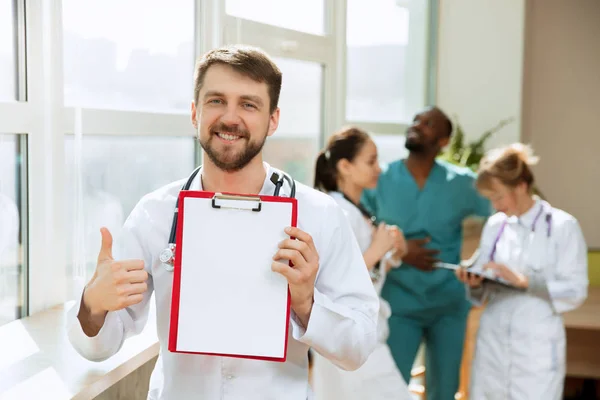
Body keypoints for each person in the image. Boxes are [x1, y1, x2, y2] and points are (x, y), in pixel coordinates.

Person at [67, 45, 380, 400]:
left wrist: (306, 303)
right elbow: (98, 346)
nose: (230, 118)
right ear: (194, 113)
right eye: (216, 101)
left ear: (273, 119)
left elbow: (359, 347)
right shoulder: (154, 214)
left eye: (249, 104)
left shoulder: (320, 215)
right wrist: (94, 304)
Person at [361, 106, 492, 400]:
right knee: (390, 389)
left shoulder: (462, 183)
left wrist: (480, 260)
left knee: (445, 391)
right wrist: (403, 253)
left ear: (443, 141)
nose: (417, 125)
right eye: (416, 120)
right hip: (399, 303)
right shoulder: (382, 179)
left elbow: (501, 216)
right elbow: (360, 226)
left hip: (448, 304)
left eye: (428, 123)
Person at [455, 143, 588, 399]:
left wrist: (526, 281)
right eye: (490, 199)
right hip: (493, 341)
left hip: (535, 345)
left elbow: (575, 290)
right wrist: (474, 281)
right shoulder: (495, 226)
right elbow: (484, 279)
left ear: (521, 186)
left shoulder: (562, 226)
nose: (495, 205)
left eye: (499, 196)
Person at [311, 126, 411, 400]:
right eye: (371, 161)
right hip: (347, 334)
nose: (379, 168)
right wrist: (378, 250)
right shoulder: (337, 211)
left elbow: (366, 271)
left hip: (362, 334)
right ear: (345, 166)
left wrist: (394, 253)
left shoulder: (356, 209)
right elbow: (330, 279)